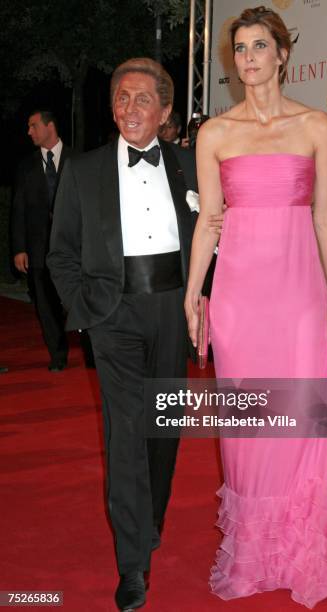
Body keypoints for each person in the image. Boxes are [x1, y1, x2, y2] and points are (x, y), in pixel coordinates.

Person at [185, 6, 327, 609]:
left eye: (261, 46)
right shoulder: (216, 133)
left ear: (282, 54)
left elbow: (326, 216)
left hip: (298, 299)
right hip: (237, 299)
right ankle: (254, 558)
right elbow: (209, 222)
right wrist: (193, 294)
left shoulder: (317, 125)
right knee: (245, 432)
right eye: (240, 49)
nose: (250, 58)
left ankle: (297, 555)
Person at [47, 57, 220, 611]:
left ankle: (150, 520)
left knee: (163, 431)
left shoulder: (190, 165)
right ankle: (132, 565)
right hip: (112, 315)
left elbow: (213, 235)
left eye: (142, 99)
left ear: (166, 110)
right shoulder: (85, 169)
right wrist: (86, 308)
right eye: (121, 98)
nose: (129, 108)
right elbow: (60, 252)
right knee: (125, 435)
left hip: (173, 308)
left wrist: (204, 296)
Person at [11, 110, 72, 371]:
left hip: (73, 249)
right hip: (37, 249)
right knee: (46, 306)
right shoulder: (26, 166)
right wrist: (19, 248)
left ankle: (93, 353)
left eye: (33, 126)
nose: (29, 132)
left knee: (78, 301)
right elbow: (18, 210)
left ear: (50, 125)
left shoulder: (78, 160)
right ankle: (58, 356)